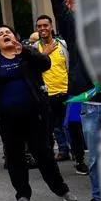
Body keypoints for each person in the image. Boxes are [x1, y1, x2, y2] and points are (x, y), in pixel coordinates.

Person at [0, 24, 77, 201]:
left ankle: (62, 190)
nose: (5, 35)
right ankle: (22, 194)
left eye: (8, 32)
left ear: (15, 36)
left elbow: (45, 64)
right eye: (1, 34)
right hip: (7, 118)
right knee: (15, 156)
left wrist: (25, 51)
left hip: (33, 114)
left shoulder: (27, 52)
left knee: (43, 153)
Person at [48, 0, 101, 201]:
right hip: (91, 105)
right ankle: (99, 197)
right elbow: (61, 12)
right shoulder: (77, 31)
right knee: (96, 157)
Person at [36, 13, 73, 161]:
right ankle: (63, 150)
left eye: (45, 25)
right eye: (39, 26)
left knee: (70, 124)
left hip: (66, 90)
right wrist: (44, 54)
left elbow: (69, 66)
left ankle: (77, 153)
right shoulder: (34, 48)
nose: (42, 28)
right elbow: (33, 69)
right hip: (47, 93)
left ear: (51, 27)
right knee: (54, 126)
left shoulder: (63, 45)